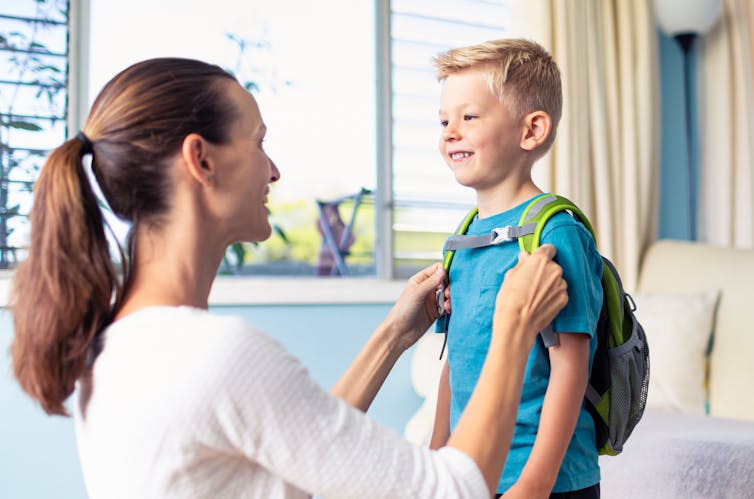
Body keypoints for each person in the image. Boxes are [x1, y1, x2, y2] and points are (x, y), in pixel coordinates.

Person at [9, 57, 568, 499]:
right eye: (258, 142)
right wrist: (514, 323)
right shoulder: (213, 354)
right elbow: (453, 489)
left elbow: (295, 456)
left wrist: (393, 336)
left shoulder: (127, 343)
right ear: (200, 160)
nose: (274, 170)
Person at [429, 39, 604, 498]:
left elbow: (571, 368)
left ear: (532, 131)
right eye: (444, 120)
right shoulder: (464, 236)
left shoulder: (554, 232)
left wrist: (534, 483)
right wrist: (435, 455)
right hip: (472, 470)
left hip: (548, 481)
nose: (450, 132)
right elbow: (456, 359)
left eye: (469, 117)